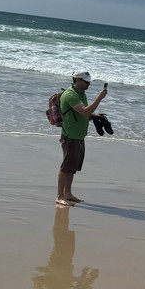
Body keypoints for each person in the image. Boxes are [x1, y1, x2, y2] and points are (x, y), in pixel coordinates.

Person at [56, 70, 107, 207]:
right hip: (70, 135)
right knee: (66, 167)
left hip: (78, 135)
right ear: (77, 80)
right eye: (86, 82)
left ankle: (68, 193)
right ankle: (59, 196)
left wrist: (93, 116)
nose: (89, 84)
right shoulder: (71, 94)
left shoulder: (81, 94)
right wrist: (99, 98)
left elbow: (84, 113)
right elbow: (85, 111)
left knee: (72, 167)